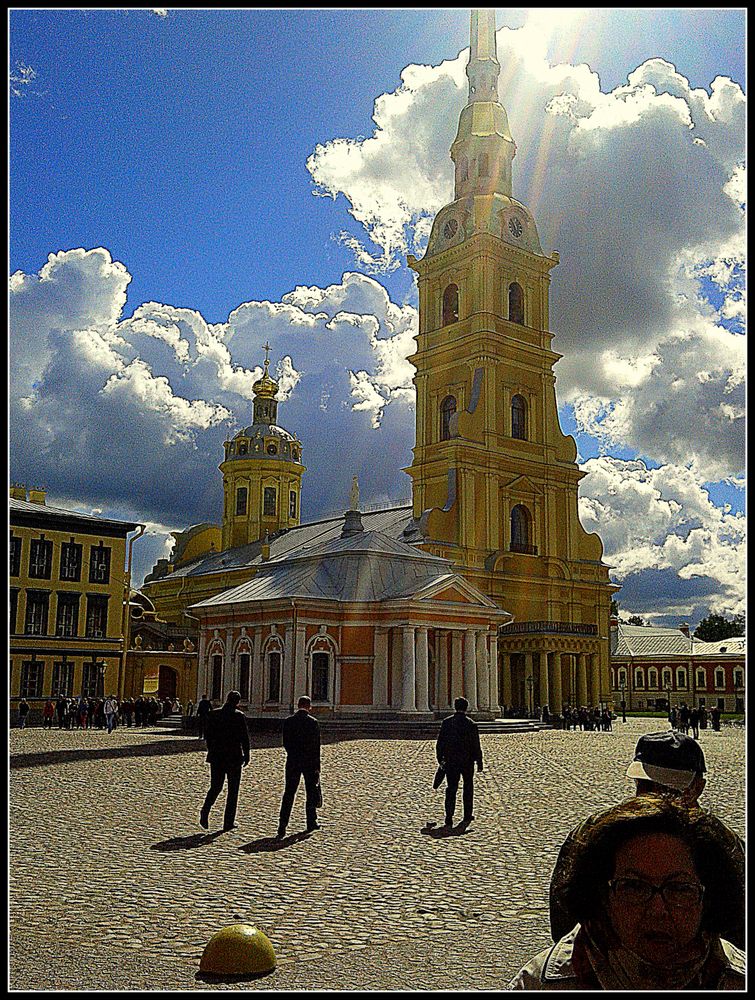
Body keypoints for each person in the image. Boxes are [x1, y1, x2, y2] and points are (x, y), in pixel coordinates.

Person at [509, 795, 745, 990]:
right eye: (634, 887)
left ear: (710, 897)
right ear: (602, 895)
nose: (657, 910)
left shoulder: (736, 980)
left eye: (680, 889)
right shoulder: (541, 984)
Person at [549, 730, 744, 950]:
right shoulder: (592, 834)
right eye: (646, 786)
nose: (654, 797)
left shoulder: (725, 845)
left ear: (697, 788)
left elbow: (738, 928)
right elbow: (565, 917)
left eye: (666, 789)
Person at [199, 690, 250, 832]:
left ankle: (205, 809)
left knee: (216, 787)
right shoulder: (239, 716)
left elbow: (208, 736)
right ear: (237, 702)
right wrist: (247, 754)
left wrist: (212, 751)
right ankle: (228, 822)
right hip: (234, 757)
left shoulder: (214, 714)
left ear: (227, 699)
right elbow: (244, 738)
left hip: (217, 757)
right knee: (233, 790)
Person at [276, 696, 322, 839]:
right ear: (309, 706)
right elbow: (316, 747)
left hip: (293, 762)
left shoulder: (289, 722)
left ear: (298, 705)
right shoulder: (313, 722)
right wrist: (317, 765)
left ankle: (282, 825)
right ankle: (311, 821)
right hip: (309, 762)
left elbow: (286, 743)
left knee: (289, 793)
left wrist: (293, 754)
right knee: (311, 791)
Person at [435, 696, 483, 828]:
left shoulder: (447, 722)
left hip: (451, 762)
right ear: (466, 708)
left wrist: (441, 760)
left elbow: (440, 744)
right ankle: (467, 815)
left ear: (455, 707)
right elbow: (476, 745)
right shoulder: (471, 724)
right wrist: (479, 761)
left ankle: (449, 816)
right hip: (467, 762)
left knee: (451, 788)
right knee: (468, 788)